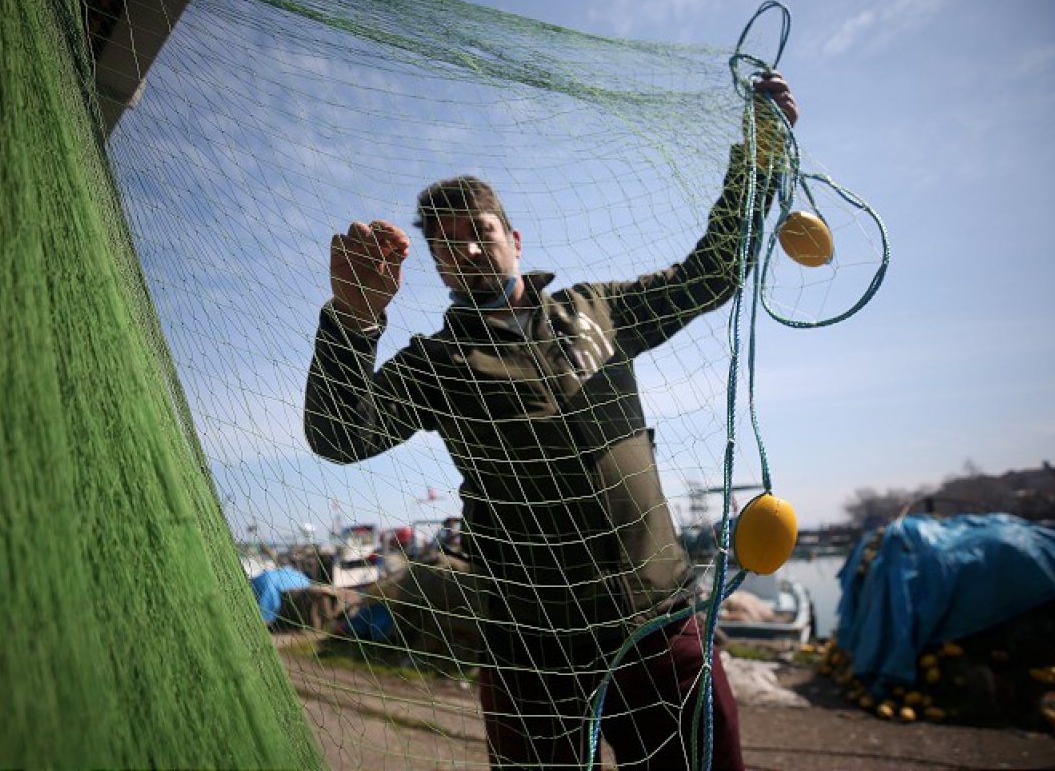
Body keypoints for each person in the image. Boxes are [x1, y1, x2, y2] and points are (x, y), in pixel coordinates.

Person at [305, 73, 798, 770]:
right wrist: (354, 320)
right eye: (449, 245)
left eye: (479, 232)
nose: (470, 250)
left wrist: (761, 152)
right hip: (532, 651)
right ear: (438, 266)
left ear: (514, 236)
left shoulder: (595, 309)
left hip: (657, 619)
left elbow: (712, 274)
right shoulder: (437, 362)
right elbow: (339, 435)